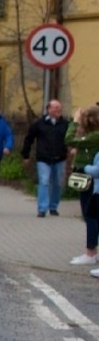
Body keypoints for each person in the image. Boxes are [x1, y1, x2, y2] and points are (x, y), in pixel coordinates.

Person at [21, 99, 75, 217]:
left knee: (57, 183)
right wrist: (26, 155)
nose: (59, 110)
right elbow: (29, 139)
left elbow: (71, 138)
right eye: (56, 108)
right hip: (43, 158)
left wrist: (72, 148)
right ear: (49, 109)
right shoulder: (39, 124)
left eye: (59, 108)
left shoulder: (65, 124)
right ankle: (42, 208)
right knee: (44, 181)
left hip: (60, 158)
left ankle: (53, 206)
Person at [67, 104, 99, 274]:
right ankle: (91, 251)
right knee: (90, 215)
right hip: (89, 178)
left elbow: (69, 140)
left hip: (91, 178)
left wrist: (74, 122)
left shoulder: (95, 136)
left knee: (90, 215)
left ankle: (90, 252)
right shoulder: (91, 135)